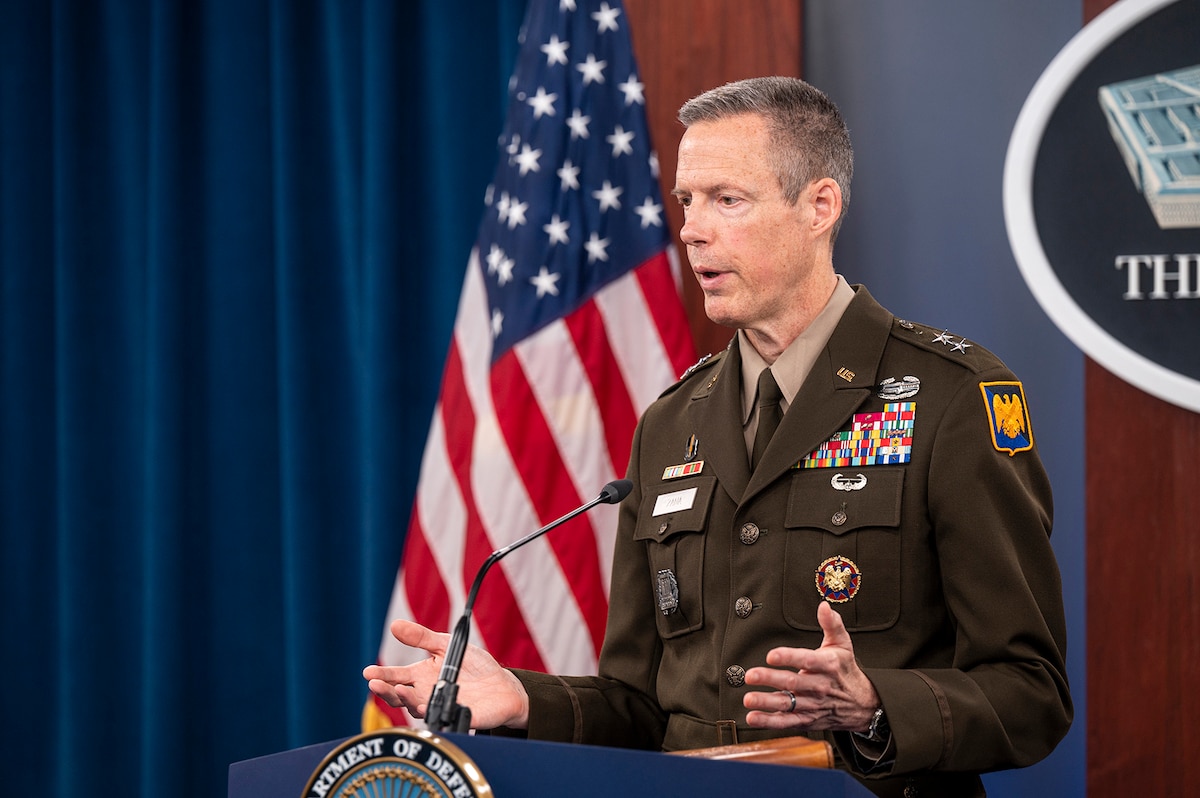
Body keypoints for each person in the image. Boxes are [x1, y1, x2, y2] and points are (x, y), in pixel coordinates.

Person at [364, 76, 1072, 797]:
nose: (692, 229)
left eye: (727, 200)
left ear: (819, 207)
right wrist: (524, 697)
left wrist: (875, 707)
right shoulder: (673, 420)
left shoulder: (951, 396)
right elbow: (639, 705)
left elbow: (1031, 692)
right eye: (686, 202)